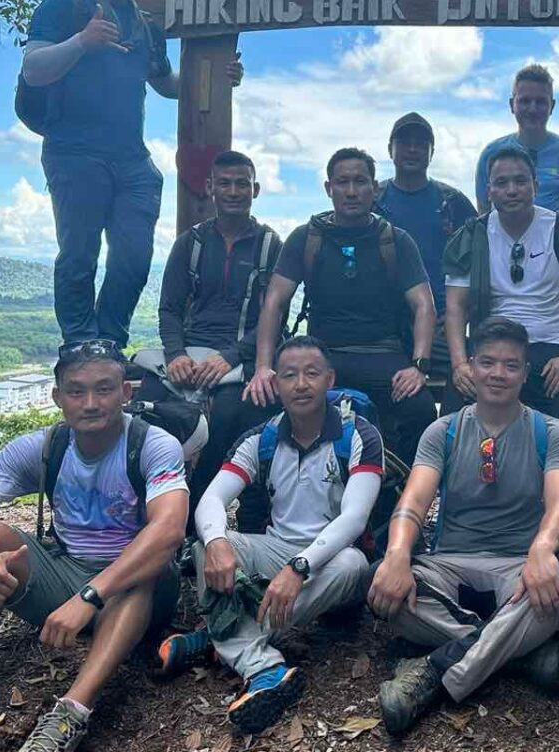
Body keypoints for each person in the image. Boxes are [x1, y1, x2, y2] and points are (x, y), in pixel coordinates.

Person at [0, 340, 188, 752]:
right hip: (66, 572)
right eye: (76, 391)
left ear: (127, 392)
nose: (90, 403)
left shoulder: (152, 445)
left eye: (104, 389)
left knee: (139, 570)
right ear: (58, 398)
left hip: (135, 588)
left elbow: (168, 532)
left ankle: (72, 711)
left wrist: (90, 595)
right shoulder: (45, 447)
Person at [22, 0, 244, 350]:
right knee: (79, 257)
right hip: (73, 152)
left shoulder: (145, 24)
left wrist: (218, 78)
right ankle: (81, 346)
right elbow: (33, 69)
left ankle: (108, 343)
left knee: (133, 258)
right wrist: (82, 41)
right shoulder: (62, 9)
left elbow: (166, 85)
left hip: (130, 159)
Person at [367, 317, 559, 735]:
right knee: (381, 585)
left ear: (524, 373)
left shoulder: (551, 432)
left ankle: (433, 668)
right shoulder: (444, 431)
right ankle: (520, 651)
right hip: (449, 567)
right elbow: (413, 502)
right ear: (470, 365)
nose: (498, 374)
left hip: (519, 572)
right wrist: (396, 557)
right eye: (488, 362)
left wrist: (541, 550)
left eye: (510, 365)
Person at [163, 336, 382, 734]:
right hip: (275, 549)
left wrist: (299, 567)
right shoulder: (261, 439)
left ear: (329, 379)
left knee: (353, 564)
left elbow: (354, 518)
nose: (301, 384)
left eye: (312, 373)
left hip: (334, 561)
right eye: (290, 375)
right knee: (205, 545)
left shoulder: (358, 435)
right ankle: (261, 667)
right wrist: (216, 543)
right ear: (276, 382)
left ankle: (221, 638)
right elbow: (211, 500)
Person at [245, 148, 437, 465]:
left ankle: (401, 496)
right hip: (321, 354)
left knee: (419, 409)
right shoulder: (306, 237)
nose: (351, 191)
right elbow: (275, 303)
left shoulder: (396, 241)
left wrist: (419, 367)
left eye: (360, 182)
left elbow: (424, 306)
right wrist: (264, 367)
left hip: (382, 352)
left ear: (374, 189)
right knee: (260, 402)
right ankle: (276, 494)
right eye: (342, 182)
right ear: (328, 188)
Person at [443, 146, 559, 501]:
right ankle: (465, 512)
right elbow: (455, 307)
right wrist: (459, 364)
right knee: (456, 420)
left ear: (535, 184)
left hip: (552, 349)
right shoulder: (473, 235)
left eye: (520, 181)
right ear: (489, 190)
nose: (511, 190)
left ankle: (557, 523)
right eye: (502, 182)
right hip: (490, 345)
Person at [153, 149, 282, 525]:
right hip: (189, 357)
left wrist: (231, 356)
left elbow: (275, 317)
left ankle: (203, 518)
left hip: (243, 357)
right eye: (224, 183)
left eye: (242, 183)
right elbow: (170, 309)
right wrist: (175, 355)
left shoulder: (270, 246)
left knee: (230, 414)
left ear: (255, 189)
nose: (233, 191)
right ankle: (150, 513)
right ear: (210, 188)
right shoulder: (190, 244)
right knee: (147, 412)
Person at [373, 112, 478, 381]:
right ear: (390, 150)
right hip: (385, 329)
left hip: (442, 329)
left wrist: (460, 317)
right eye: (404, 142)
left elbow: (481, 264)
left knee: (477, 374)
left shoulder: (453, 202)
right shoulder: (373, 201)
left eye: (420, 143)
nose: (412, 149)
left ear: (431, 153)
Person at [475, 64, 559, 224]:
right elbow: (484, 214)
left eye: (540, 102)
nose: (532, 109)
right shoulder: (491, 154)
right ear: (512, 105)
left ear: (552, 106)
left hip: (556, 248)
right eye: (525, 101)